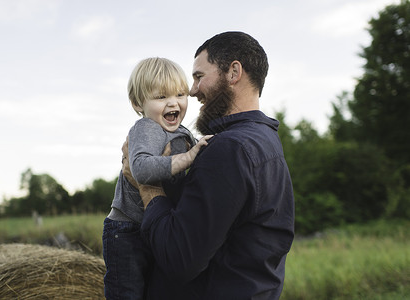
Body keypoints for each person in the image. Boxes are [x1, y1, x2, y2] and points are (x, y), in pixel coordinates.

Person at [123, 31, 295, 299]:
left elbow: (179, 258)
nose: (192, 91)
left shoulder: (230, 148)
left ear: (233, 72)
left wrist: (148, 188)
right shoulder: (265, 140)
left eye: (199, 77)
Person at [102, 57, 212, 300]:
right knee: (127, 293)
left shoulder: (182, 132)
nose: (173, 102)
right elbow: (139, 168)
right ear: (137, 103)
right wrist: (188, 158)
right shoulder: (146, 128)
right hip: (127, 230)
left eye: (180, 94)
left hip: (152, 226)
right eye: (161, 97)